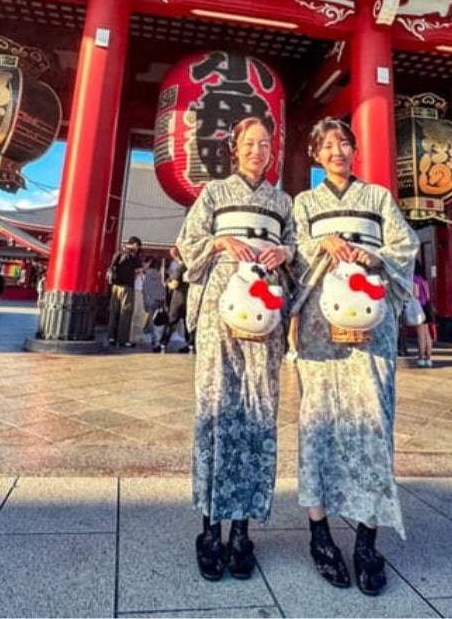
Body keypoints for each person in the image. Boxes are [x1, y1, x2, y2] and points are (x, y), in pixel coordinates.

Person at [291, 118, 417, 597]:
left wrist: (373, 256)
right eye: (327, 145)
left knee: (373, 423)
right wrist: (319, 245)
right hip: (322, 330)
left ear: (355, 149)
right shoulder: (305, 203)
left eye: (344, 143)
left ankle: (367, 539)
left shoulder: (379, 199)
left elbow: (404, 246)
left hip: (371, 325)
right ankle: (319, 534)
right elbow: (292, 251)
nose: (338, 151)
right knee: (318, 422)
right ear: (316, 155)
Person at [175, 116, 294, 582]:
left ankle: (242, 531)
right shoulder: (213, 193)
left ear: (273, 150)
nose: (257, 150)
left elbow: (300, 254)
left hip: (264, 317)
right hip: (218, 316)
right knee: (216, 410)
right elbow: (188, 244)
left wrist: (284, 253)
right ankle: (209, 528)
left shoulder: (282, 202)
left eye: (265, 144)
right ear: (235, 147)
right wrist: (219, 240)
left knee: (257, 413)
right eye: (249, 143)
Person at [107, 236, 143, 348]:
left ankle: (111, 337)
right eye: (137, 245)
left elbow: (111, 267)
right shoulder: (133, 256)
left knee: (114, 312)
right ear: (135, 244)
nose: (137, 248)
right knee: (126, 313)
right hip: (127, 287)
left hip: (115, 287)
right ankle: (122, 339)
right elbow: (138, 271)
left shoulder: (118, 253)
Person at [164, 246, 190, 352]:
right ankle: (190, 345)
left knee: (172, 320)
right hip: (188, 296)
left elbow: (174, 284)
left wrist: (167, 283)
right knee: (187, 323)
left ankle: (163, 343)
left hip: (178, 297)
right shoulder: (189, 266)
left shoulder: (180, 268)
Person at [141, 257, 167, 349]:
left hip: (152, 301)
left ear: (149, 263)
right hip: (159, 300)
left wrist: (146, 303)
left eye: (145, 262)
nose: (143, 264)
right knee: (157, 322)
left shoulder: (148, 274)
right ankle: (157, 340)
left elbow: (145, 290)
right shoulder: (157, 274)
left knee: (153, 322)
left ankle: (155, 341)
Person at [411, 265, 434, 367]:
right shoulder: (424, 280)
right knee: (427, 334)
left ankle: (421, 357)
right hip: (427, 307)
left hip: (418, 307)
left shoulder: (414, 279)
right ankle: (428, 358)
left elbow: (415, 294)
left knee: (420, 335)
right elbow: (428, 296)